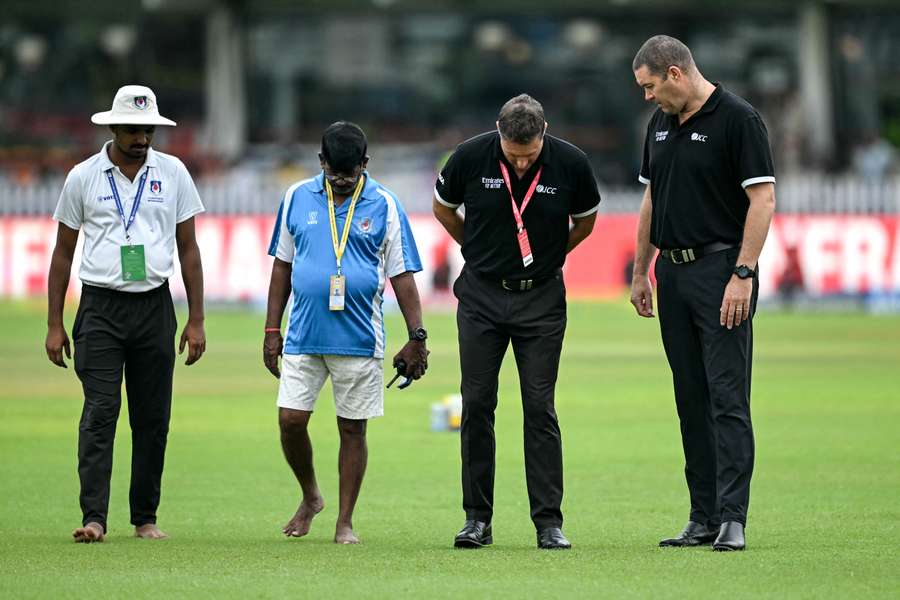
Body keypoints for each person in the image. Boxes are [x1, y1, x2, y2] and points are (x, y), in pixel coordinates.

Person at [433, 94, 600, 550]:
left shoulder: (571, 163)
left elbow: (585, 223)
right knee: (478, 403)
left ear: (544, 132)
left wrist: (547, 258)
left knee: (540, 407)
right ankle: (476, 520)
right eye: (514, 154)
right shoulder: (469, 156)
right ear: (499, 134)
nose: (523, 163)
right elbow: (443, 209)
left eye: (530, 154)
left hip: (542, 300)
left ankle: (549, 523)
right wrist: (478, 250)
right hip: (482, 296)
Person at [629, 35, 776, 551]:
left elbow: (762, 198)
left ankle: (733, 518)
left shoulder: (739, 120)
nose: (647, 98)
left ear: (674, 73)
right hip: (672, 273)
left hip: (720, 272)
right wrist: (640, 268)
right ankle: (702, 516)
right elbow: (652, 196)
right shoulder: (661, 125)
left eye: (650, 87)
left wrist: (743, 273)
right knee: (690, 398)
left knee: (727, 398)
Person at [45, 85, 207, 543]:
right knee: (100, 410)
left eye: (148, 129)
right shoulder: (83, 176)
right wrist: (55, 323)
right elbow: (62, 254)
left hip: (155, 305)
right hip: (100, 307)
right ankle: (94, 517)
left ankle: (145, 517)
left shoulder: (173, 173)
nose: (142, 137)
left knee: (152, 417)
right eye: (133, 129)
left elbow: (189, 249)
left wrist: (196, 319)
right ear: (112, 127)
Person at [264, 122, 428, 545]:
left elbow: (402, 274)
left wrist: (417, 335)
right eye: (333, 173)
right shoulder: (296, 198)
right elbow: (281, 265)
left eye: (349, 174)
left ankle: (345, 521)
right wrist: (270, 328)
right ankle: (310, 495)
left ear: (365, 165)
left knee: (352, 429)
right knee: (290, 421)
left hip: (359, 337)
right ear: (320, 163)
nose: (340, 181)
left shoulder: (386, 204)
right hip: (302, 332)